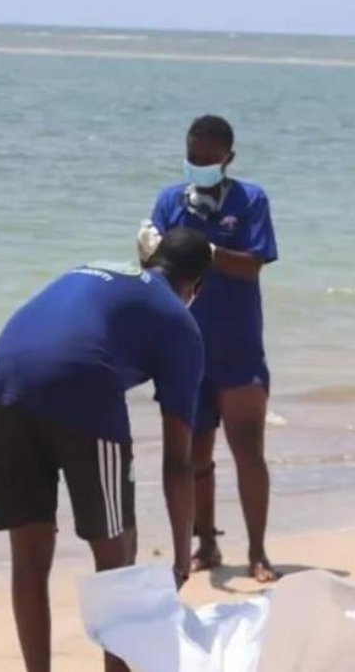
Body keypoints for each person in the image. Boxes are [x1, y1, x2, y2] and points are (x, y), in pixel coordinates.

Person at [0, 227, 212, 672]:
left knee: (29, 556)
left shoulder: (100, 270)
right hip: (81, 385)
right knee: (117, 560)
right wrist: (182, 560)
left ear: (150, 260)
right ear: (195, 286)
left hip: (5, 380)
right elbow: (178, 462)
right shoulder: (180, 322)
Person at [137, 114, 280, 582]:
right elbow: (156, 269)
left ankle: (258, 551)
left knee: (248, 451)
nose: (197, 164)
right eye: (191, 156)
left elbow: (253, 265)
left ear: (228, 158)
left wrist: (206, 252)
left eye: (207, 157)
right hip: (185, 348)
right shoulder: (169, 202)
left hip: (238, 346)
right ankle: (206, 543)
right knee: (194, 456)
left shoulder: (250, 200)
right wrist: (148, 251)